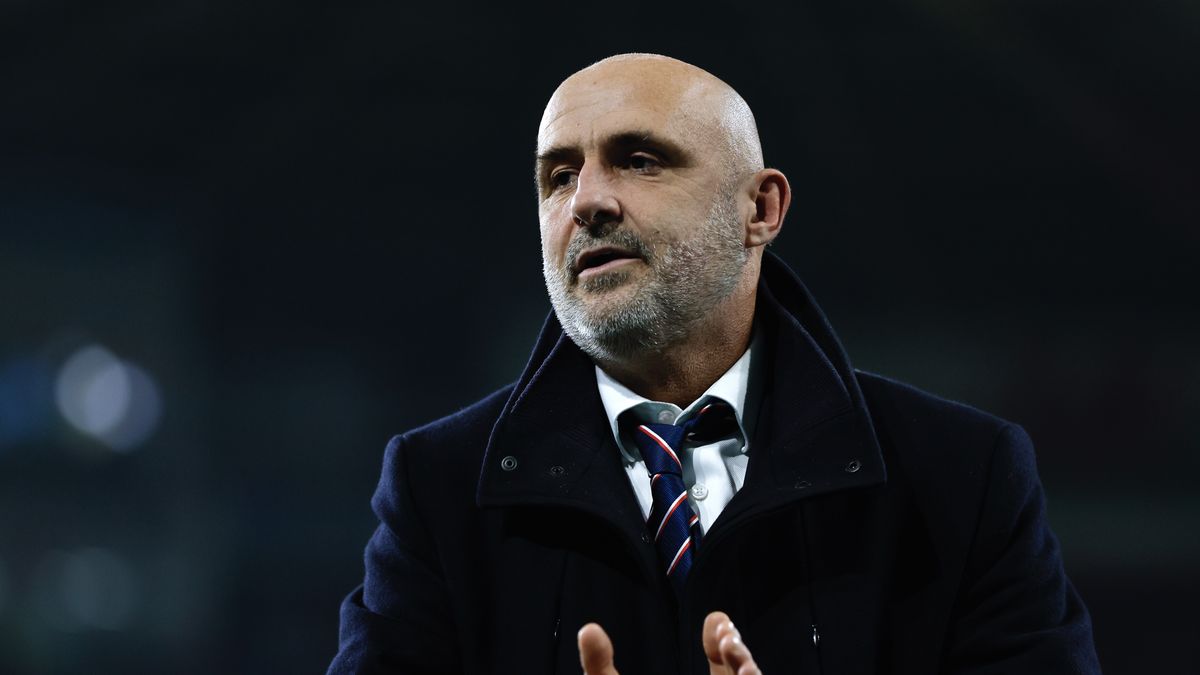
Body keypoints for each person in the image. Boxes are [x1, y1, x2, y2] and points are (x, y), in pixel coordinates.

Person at [328, 54, 1100, 674]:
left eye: (639, 160)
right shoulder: (438, 486)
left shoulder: (962, 477)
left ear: (760, 210)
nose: (587, 200)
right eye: (558, 175)